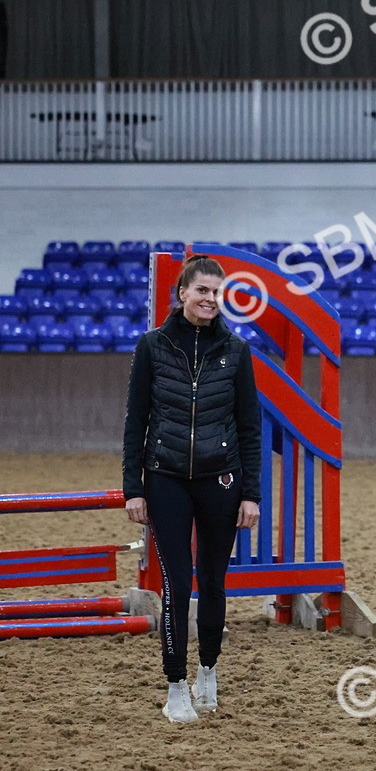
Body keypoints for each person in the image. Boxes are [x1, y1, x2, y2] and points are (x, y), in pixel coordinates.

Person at [122, 255, 262, 723]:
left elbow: (249, 428)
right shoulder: (152, 346)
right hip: (164, 481)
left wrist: (252, 494)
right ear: (182, 293)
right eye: (202, 290)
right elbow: (135, 421)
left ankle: (208, 670)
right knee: (177, 585)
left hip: (222, 482)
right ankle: (175, 683)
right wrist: (132, 487)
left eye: (218, 293)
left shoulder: (237, 352)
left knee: (214, 583)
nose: (210, 299)